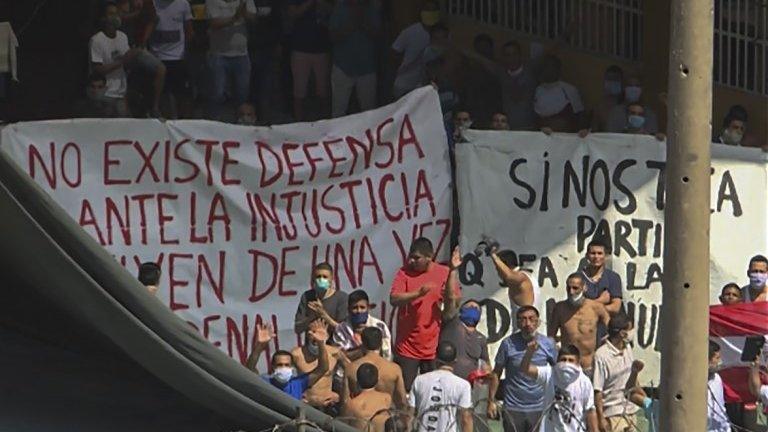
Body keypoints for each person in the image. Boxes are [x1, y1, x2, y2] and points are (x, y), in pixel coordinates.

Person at [390, 239, 459, 391]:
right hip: (407, 347)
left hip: (433, 348)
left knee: (431, 393)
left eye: (416, 258)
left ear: (429, 257)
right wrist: (417, 294)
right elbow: (394, 299)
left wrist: (452, 272)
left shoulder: (443, 273)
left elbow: (454, 303)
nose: (411, 261)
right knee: (405, 391)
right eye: (411, 257)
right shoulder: (404, 272)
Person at [490, 306, 557, 432]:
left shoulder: (548, 344)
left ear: (538, 322)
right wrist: (491, 401)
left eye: (531, 319)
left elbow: (558, 372)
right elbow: (496, 373)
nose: (528, 324)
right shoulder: (508, 344)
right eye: (523, 319)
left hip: (540, 407)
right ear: (517, 323)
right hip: (513, 408)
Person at [520, 341, 599, 432]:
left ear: (578, 362)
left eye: (571, 360)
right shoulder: (549, 374)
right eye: (563, 359)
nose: (566, 363)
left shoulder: (584, 382)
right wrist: (529, 352)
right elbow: (525, 369)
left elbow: (590, 410)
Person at [246, 322, 329, 399]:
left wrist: (321, 344)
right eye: (279, 365)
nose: (283, 368)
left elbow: (323, 368)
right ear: (273, 367)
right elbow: (250, 369)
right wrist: (259, 346)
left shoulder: (298, 383)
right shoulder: (266, 383)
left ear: (292, 367)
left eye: (287, 365)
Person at [548, 272, 610, 375]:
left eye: (575, 288)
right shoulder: (560, 308)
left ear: (584, 288)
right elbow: (550, 336)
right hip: (567, 366)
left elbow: (612, 328)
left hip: (589, 366)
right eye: (569, 288)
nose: (571, 292)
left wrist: (605, 346)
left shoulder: (595, 307)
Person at [205, 0, 258, 120]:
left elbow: (253, 18)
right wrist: (235, 17)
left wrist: (244, 13)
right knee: (218, 93)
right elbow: (214, 23)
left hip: (241, 54)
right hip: (219, 54)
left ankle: (239, 123)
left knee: (242, 93)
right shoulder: (212, 2)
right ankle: (214, 121)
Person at [328, 0, 381, 118]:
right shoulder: (340, 7)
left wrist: (362, 22)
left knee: (369, 112)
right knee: (338, 112)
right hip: (343, 67)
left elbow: (377, 34)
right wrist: (351, 24)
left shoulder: (371, 8)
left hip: (367, 68)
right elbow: (332, 36)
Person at [408, 341, 473, 432]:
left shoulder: (419, 380)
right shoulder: (463, 385)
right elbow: (466, 419)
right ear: (455, 362)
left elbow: (409, 415)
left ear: (435, 359)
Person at [116, 0, 166, 117]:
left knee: (161, 69)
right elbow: (118, 17)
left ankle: (155, 107)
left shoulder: (147, 4)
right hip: (118, 46)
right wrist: (137, 14)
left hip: (138, 47)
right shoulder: (122, 4)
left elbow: (152, 20)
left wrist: (143, 41)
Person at [89, 2, 139, 117]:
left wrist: (134, 55)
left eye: (116, 13)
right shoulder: (97, 40)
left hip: (121, 92)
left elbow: (128, 62)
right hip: (105, 94)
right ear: (103, 18)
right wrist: (121, 61)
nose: (115, 17)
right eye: (111, 14)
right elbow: (97, 69)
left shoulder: (123, 37)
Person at [148, 0, 194, 119]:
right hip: (157, 57)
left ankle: (181, 121)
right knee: (161, 94)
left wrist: (187, 54)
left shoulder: (183, 4)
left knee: (180, 94)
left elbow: (189, 30)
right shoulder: (152, 3)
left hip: (178, 57)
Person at [342, 327, 408, 410]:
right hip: (384, 416)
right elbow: (402, 401)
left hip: (361, 416)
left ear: (362, 343)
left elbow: (345, 401)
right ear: (381, 344)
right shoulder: (395, 369)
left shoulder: (350, 368)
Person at [287, 0, 332, 121]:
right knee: (299, 90)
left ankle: (323, 122)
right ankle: (299, 123)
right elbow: (292, 13)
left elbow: (334, 10)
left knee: (323, 90)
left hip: (322, 48)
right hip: (300, 48)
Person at [593, 314, 638, 431]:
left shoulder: (627, 348)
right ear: (622, 334)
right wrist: (601, 418)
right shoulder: (601, 356)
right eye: (630, 329)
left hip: (630, 411)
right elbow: (598, 390)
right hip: (613, 414)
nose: (632, 332)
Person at [391, 1, 440, 98]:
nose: (430, 12)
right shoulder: (409, 32)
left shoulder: (441, 34)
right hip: (404, 84)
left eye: (433, 10)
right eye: (427, 9)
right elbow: (394, 52)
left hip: (423, 86)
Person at [291, 319, 341, 409]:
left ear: (327, 335)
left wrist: (339, 395)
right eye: (313, 332)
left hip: (328, 404)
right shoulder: (297, 354)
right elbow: (284, 377)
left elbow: (350, 373)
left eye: (320, 333)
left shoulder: (335, 353)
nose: (315, 337)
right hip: (307, 404)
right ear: (307, 334)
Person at [333, 290, 393, 361]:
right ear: (349, 309)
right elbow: (340, 357)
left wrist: (369, 336)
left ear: (368, 308)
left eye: (362, 307)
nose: (359, 311)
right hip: (349, 369)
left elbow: (386, 354)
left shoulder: (380, 326)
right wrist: (362, 349)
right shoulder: (341, 329)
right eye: (355, 308)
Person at [533, 55, 586, 134]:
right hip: (543, 138)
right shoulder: (538, 90)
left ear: (558, 69)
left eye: (551, 66)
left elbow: (580, 116)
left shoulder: (569, 89)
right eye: (545, 66)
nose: (547, 70)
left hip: (564, 137)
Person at [294, 262, 349, 334]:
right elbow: (297, 329)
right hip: (312, 343)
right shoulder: (307, 296)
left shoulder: (342, 298)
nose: (321, 279)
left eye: (325, 277)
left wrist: (323, 314)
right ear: (313, 279)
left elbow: (344, 331)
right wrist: (312, 316)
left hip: (333, 344)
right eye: (318, 277)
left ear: (331, 279)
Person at [341, 363, 392, 432]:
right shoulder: (386, 399)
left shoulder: (352, 404)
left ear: (357, 382)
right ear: (377, 381)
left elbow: (341, 426)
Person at [581, 239, 623, 315]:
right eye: (593, 253)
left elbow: (616, 307)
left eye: (600, 253)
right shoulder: (578, 278)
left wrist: (589, 306)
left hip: (608, 324)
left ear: (605, 256)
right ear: (587, 255)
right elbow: (574, 307)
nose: (596, 257)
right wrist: (601, 300)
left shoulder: (613, 277)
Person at [624, 360, 658, 432]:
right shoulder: (654, 406)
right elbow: (629, 394)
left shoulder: (655, 406)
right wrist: (634, 373)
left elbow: (629, 393)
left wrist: (634, 373)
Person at [591, 65, 624, 132]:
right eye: (609, 79)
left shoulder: (626, 105)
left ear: (621, 82)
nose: (612, 82)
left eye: (616, 79)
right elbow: (594, 131)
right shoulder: (599, 106)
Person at [707, 341, 731, 432]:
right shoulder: (693, 383)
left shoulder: (717, 379)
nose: (719, 362)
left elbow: (721, 408)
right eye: (717, 358)